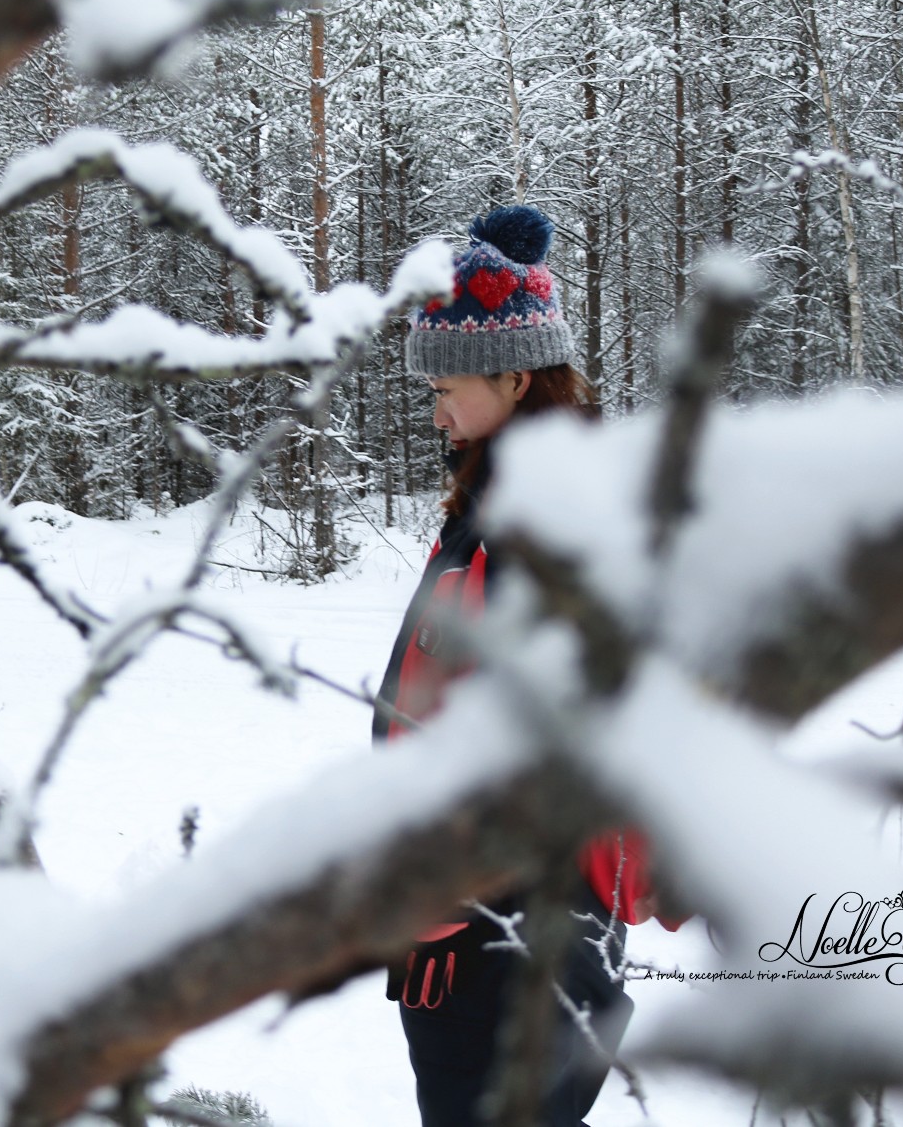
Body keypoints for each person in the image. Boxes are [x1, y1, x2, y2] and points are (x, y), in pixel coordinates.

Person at [373, 204, 677, 1127]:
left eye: (448, 389)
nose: (437, 413)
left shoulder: (536, 522)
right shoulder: (528, 504)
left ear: (514, 375)